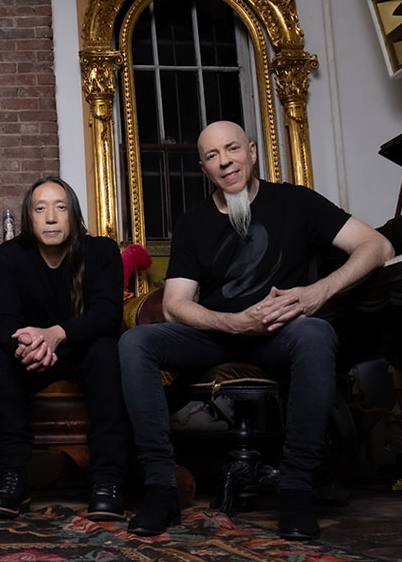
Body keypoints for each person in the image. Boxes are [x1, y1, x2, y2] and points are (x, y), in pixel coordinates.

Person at [119, 121, 394, 540]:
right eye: (212, 156)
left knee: (316, 334)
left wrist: (316, 293)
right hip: (216, 335)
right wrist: (233, 322)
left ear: (251, 151)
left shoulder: (295, 202)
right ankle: (161, 487)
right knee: (135, 342)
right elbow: (175, 305)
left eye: (232, 149)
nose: (225, 160)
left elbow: (378, 246)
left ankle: (296, 488)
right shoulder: (193, 222)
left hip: (278, 334)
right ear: (203, 168)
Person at [0, 177, 129, 521]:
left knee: (108, 352)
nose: (51, 217)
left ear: (74, 216)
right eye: (40, 209)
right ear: (28, 218)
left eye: (60, 208)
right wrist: (32, 343)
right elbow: (2, 321)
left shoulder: (101, 251)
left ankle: (107, 479)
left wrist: (57, 334)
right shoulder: (10, 255)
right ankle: (13, 479)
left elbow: (108, 315)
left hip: (85, 349)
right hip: (31, 353)